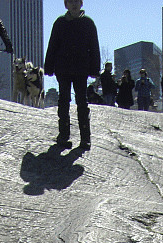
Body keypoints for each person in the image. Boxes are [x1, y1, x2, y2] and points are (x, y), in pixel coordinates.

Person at [44, 0, 101, 150]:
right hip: (63, 68)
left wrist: (95, 69)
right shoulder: (60, 23)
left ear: (81, 3)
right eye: (70, 1)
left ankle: (85, 138)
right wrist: (48, 66)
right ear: (66, 5)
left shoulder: (88, 23)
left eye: (76, 1)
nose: (74, 4)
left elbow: (94, 47)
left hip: (81, 68)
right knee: (64, 100)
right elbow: (52, 45)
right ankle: (63, 135)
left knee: (82, 101)